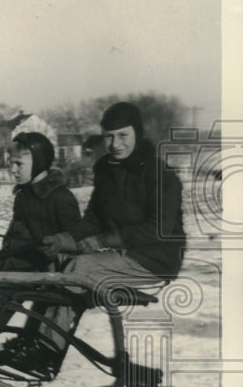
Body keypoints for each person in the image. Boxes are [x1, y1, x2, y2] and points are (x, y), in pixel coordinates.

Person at [39, 101, 186, 358]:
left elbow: (158, 228)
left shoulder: (161, 175)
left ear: (137, 134)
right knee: (57, 261)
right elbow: (95, 218)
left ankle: (46, 350)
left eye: (123, 135)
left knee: (80, 268)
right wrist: (64, 239)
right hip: (120, 252)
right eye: (109, 136)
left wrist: (102, 241)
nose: (115, 144)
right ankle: (35, 338)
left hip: (154, 258)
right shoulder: (106, 170)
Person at [0, 132, 82, 374]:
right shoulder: (23, 195)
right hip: (13, 262)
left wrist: (54, 248)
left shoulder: (61, 198)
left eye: (19, 163)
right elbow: (13, 236)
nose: (12, 169)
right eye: (11, 163)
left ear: (39, 162)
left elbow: (76, 240)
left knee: (2, 294)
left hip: (40, 270)